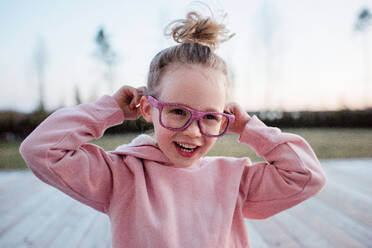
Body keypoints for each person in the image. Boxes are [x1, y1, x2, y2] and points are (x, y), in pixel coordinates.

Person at [20, 10, 326, 248]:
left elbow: (306, 175)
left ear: (224, 119)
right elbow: (41, 150)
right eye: (178, 111)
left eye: (210, 117)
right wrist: (109, 110)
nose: (194, 132)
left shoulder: (235, 180)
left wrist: (249, 127)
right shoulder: (121, 176)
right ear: (148, 108)